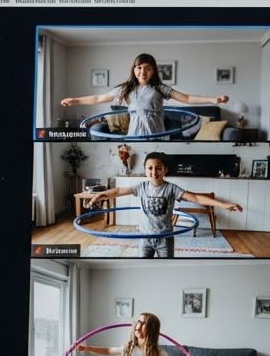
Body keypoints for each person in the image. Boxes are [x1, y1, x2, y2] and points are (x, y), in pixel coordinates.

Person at [77, 151, 242, 258]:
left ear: (165, 170)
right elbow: (119, 190)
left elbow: (197, 199)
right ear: (145, 169)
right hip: (144, 237)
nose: (153, 172)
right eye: (150, 168)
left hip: (165, 238)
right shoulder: (141, 187)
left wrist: (223, 205)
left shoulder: (171, 189)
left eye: (158, 168)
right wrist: (101, 194)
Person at [61, 53, 230, 138]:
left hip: (157, 134)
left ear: (153, 70)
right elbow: (99, 99)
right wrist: (75, 100)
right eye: (139, 67)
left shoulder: (159, 88)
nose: (143, 72)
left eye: (147, 68)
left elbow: (186, 98)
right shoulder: (125, 89)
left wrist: (213, 99)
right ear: (134, 70)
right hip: (135, 135)